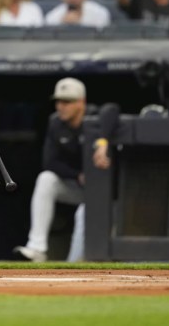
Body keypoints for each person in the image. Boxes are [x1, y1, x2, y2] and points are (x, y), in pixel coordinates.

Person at [13, 78, 119, 262]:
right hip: (78, 186)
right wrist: (77, 175)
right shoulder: (56, 123)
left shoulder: (95, 117)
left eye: (67, 102)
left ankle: (76, 261)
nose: (61, 106)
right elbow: (50, 162)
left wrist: (103, 141)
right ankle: (37, 248)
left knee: (84, 212)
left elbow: (112, 109)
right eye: (59, 101)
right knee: (46, 179)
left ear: (81, 102)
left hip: (105, 193)